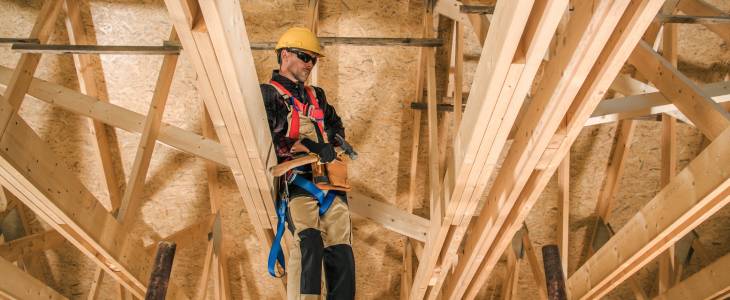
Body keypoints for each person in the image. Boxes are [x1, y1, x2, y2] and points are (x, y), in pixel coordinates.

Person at [260, 27, 356, 300]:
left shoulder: (317, 96)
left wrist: (333, 145)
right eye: (304, 57)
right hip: (297, 180)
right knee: (309, 241)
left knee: (342, 247)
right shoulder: (269, 95)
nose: (309, 64)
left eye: (313, 59)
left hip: (329, 179)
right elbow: (273, 142)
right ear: (286, 55)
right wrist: (312, 146)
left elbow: (335, 126)